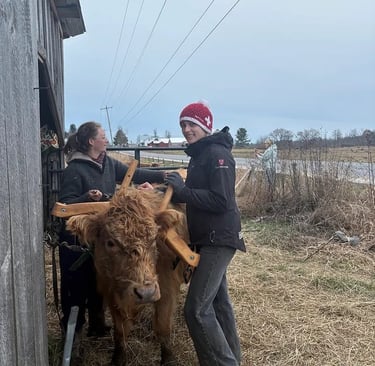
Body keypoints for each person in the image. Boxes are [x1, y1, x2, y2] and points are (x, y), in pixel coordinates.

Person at [58, 121, 166, 339]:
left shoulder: (108, 163)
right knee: (76, 288)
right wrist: (86, 197)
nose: (106, 139)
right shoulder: (74, 170)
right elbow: (65, 206)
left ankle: (97, 326)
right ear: (92, 141)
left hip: (109, 240)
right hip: (80, 239)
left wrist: (164, 177)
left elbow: (133, 173)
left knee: (100, 283)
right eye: (103, 136)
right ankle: (74, 336)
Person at [165, 101, 246, 365]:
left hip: (218, 240)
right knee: (218, 302)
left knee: (196, 310)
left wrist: (183, 192)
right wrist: (159, 187)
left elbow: (221, 200)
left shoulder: (217, 154)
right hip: (207, 239)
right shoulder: (201, 155)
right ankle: (233, 358)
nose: (187, 129)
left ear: (205, 125)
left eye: (191, 124)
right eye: (183, 125)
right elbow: (195, 194)